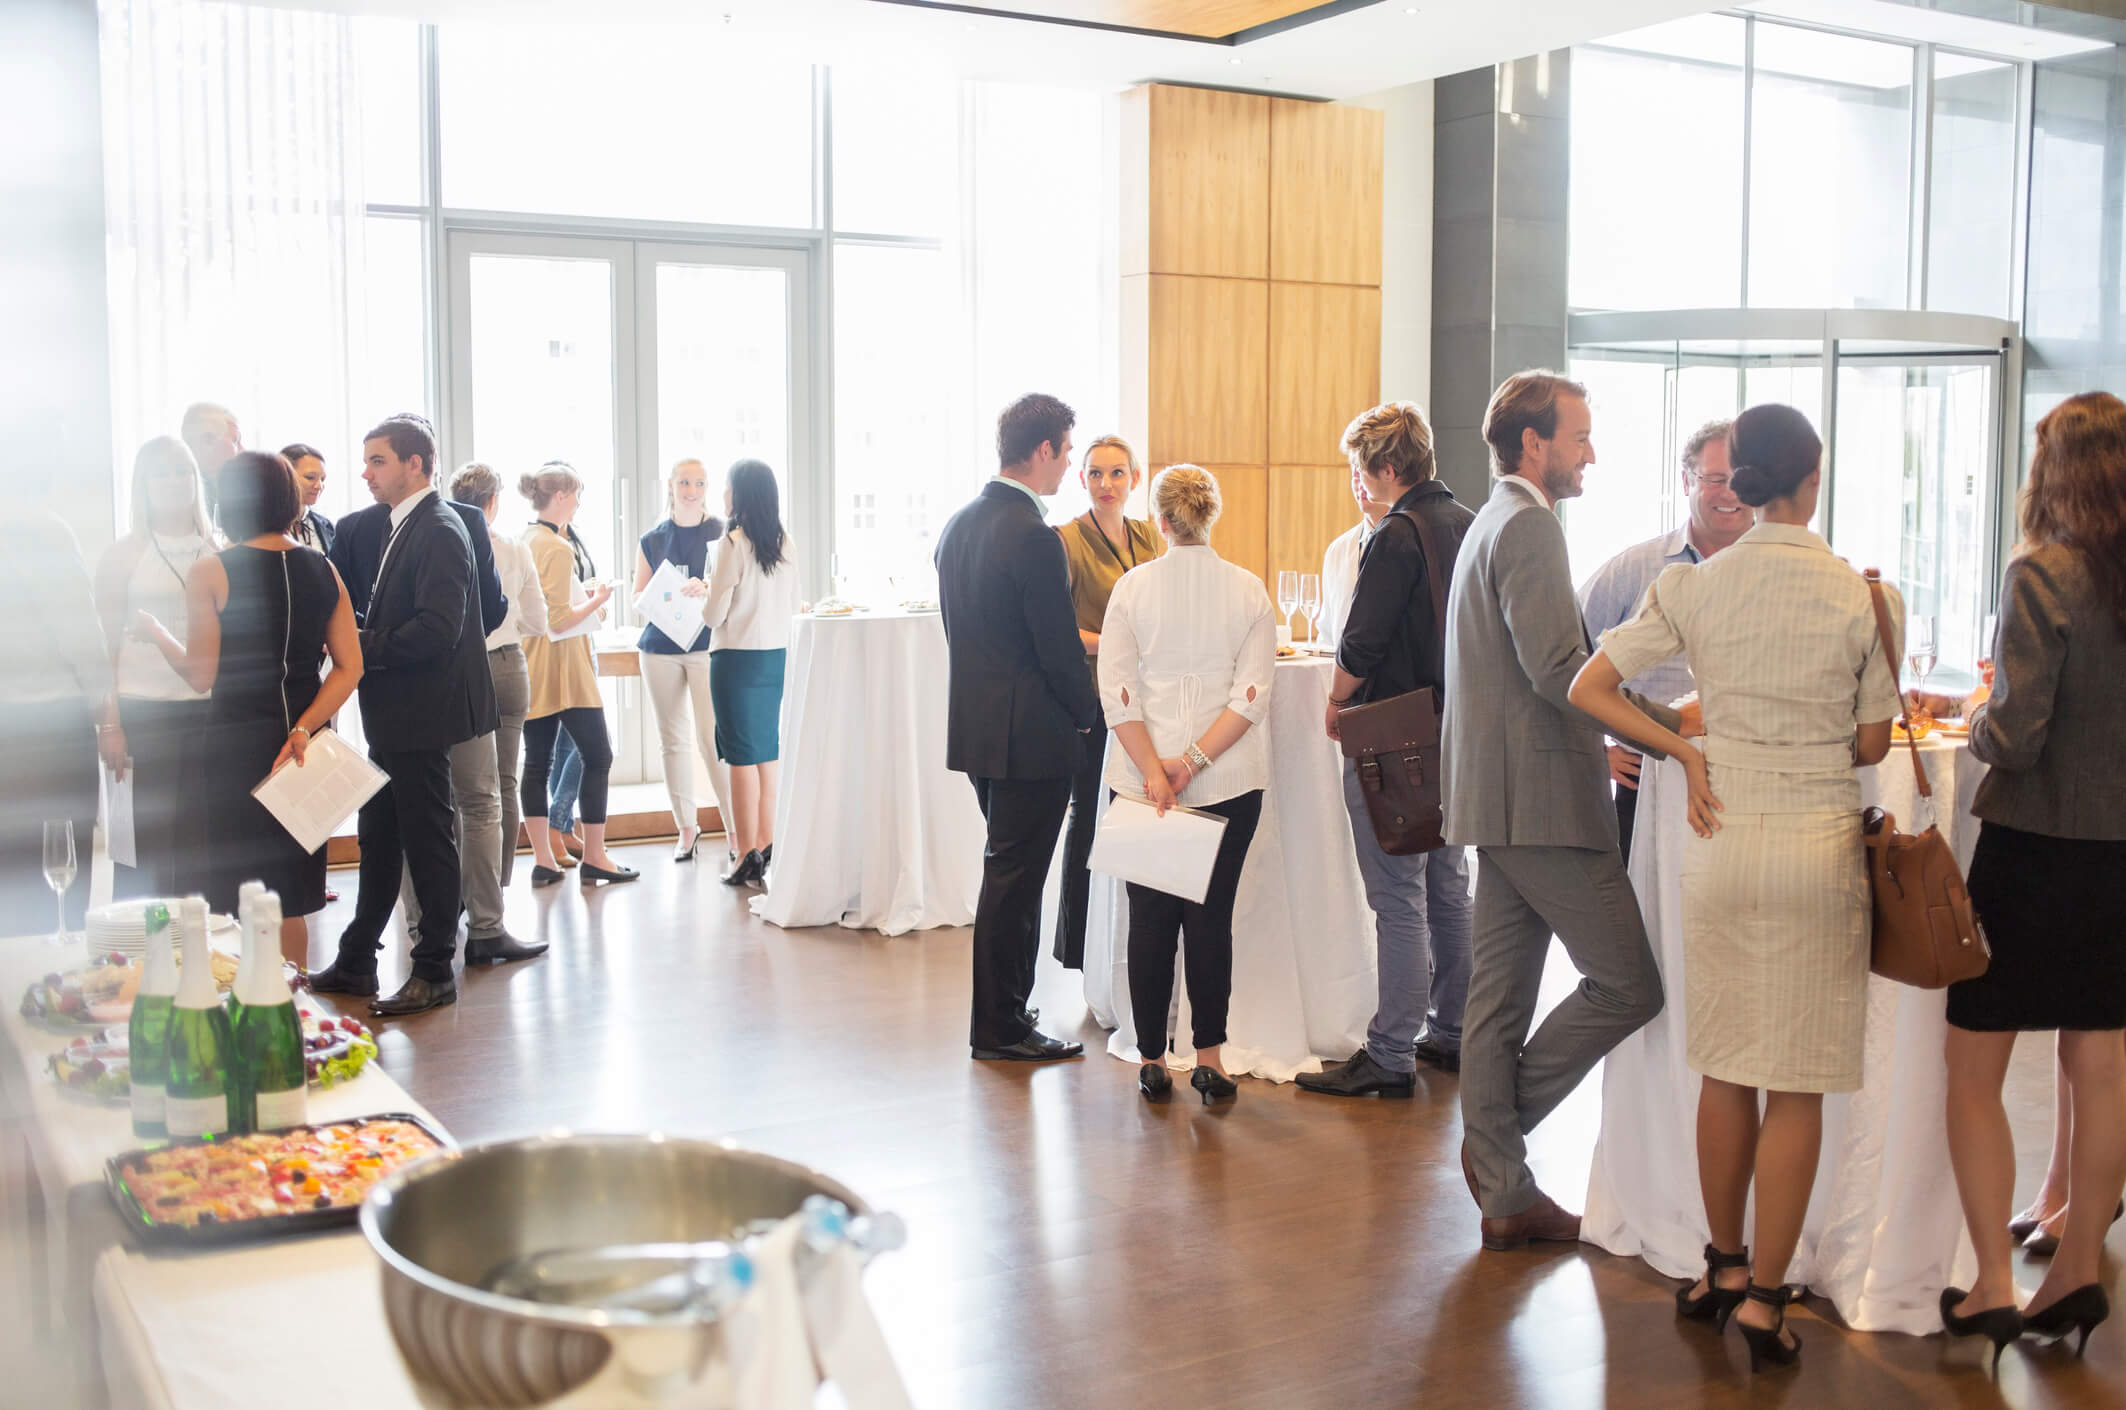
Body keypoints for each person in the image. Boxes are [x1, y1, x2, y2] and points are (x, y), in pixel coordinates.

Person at [1568, 403, 1900, 1372]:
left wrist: (1681, 749)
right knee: (1794, 1084)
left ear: (1738, 481)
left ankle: (1715, 1267)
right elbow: (1874, 743)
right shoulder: (1855, 595)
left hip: (1717, 845)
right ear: (1811, 479)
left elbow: (1591, 687)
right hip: (1814, 850)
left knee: (1723, 1069)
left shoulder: (1695, 584)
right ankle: (1762, 1297)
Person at [1442, 370, 1686, 1254]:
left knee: (1496, 1004)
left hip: (1495, 795)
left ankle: (1503, 1188)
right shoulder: (1532, 525)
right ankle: (1495, 1149)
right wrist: (1671, 727)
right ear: (1535, 443)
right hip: (1542, 798)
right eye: (1580, 437)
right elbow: (1560, 672)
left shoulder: (1491, 522)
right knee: (1630, 983)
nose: (1592, 454)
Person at [1910, 391, 2126, 1363]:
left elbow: (2014, 733)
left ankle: (1994, 1285)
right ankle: (2078, 1262)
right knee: (2099, 1059)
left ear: (2051, 473)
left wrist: (1983, 706)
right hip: (2118, 856)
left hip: (2035, 851)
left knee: (1971, 1064)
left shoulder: (2040, 574)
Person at [1299, 402, 1475, 1098]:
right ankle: (1453, 1029)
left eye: (1359, 468)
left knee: (1398, 896)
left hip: (1395, 731)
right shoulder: (1466, 522)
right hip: (1455, 727)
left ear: (1388, 467)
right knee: (1448, 884)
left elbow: (1361, 640)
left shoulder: (1396, 535)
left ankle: (1391, 1052)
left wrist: (1337, 700)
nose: (1358, 481)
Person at [134, 452, 363, 964]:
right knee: (290, 900)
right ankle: (295, 1015)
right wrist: (304, 728)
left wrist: (156, 634)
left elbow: (200, 674)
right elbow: (350, 668)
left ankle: (244, 1010)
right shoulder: (324, 568)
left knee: (239, 896)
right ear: (286, 499)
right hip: (303, 749)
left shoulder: (210, 570)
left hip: (236, 747)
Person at [309, 417, 500, 1017]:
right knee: (381, 835)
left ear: (416, 464)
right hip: (397, 714)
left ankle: (435, 966)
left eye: (378, 461)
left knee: (428, 839)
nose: (365, 473)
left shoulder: (440, 527)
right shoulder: (406, 523)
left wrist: (361, 644)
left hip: (422, 712)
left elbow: (440, 630)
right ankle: (358, 956)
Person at [1098, 465, 1273, 1103]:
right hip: (1228, 779)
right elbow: (1251, 696)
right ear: (1209, 518)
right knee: (1209, 920)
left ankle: (1150, 1057)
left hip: (1142, 782)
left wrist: (1154, 771)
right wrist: (1192, 762)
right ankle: (1212, 1059)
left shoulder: (1133, 588)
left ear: (1161, 522)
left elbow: (1117, 692)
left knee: (1148, 922)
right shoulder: (1248, 589)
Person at [935, 393, 1101, 1063]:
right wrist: (1090, 718)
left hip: (980, 730)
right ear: (1042, 452)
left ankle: (1004, 1009)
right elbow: (1057, 648)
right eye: (1065, 452)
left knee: (1009, 874)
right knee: (1016, 880)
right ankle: (999, 1026)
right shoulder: (1034, 536)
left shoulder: (959, 524)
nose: (1067, 468)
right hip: (1031, 736)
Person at [1576, 419, 1740, 862]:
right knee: (1646, 922)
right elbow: (1560, 667)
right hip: (1646, 783)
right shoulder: (1635, 570)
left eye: (1742, 479)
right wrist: (1594, 754)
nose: (1731, 493)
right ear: (1686, 481)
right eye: (1716, 479)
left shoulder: (1775, 576)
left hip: (1747, 789)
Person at [1052, 434, 1162, 969]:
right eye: (1095, 473)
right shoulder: (1066, 540)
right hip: (1092, 698)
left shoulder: (1148, 536)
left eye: (1117, 474)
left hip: (1142, 699)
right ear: (1082, 480)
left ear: (1135, 479)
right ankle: (1079, 948)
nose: (1106, 484)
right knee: (1089, 815)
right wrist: (1116, 643)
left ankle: (1126, 945)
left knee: (1136, 814)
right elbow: (1057, 628)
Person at [92, 437, 218, 899]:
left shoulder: (217, 547)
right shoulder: (123, 555)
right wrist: (110, 723)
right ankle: (137, 961)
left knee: (201, 844)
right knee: (139, 850)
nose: (173, 482)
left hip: (206, 712)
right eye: (160, 472)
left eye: (182, 471)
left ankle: (201, 957)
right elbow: (102, 647)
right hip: (140, 711)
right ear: (141, 484)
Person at [517, 462, 635, 886]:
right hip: (564, 667)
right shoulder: (557, 547)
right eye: (578, 494)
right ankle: (596, 855)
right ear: (562, 496)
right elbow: (560, 618)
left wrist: (585, 602)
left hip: (534, 662)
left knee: (536, 761)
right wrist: (599, 599)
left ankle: (544, 860)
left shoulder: (526, 539)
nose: (580, 503)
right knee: (598, 755)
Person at [1, 483, 110, 929]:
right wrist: (104, 708)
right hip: (52, 724)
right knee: (57, 862)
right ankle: (52, 983)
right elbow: (80, 635)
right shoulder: (40, 529)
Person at [450, 462, 549, 895]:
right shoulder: (514, 548)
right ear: (493, 502)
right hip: (509, 665)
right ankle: (497, 887)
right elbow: (538, 621)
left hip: (461, 668)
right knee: (504, 779)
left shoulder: (445, 544)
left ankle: (457, 884)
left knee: (462, 786)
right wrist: (510, 629)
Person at [701, 459, 800, 886]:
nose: (723, 494)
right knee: (766, 753)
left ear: (739, 494)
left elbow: (713, 614)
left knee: (740, 756)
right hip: (774, 657)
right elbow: (795, 603)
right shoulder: (784, 543)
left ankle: (744, 854)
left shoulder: (733, 542)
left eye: (727, 486)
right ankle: (767, 841)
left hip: (737, 658)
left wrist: (706, 592)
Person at [633, 458, 735, 865]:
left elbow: (737, 587)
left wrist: (707, 586)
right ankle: (686, 829)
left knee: (714, 741)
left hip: (707, 647)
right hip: (660, 648)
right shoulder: (652, 538)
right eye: (684, 482)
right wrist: (666, 594)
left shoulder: (722, 533)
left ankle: (735, 830)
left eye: (698, 482)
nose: (691, 489)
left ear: (707, 487)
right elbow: (637, 595)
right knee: (671, 740)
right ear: (670, 486)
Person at [1319, 460, 1389, 645]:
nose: (1359, 484)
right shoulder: (1338, 549)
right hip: (1343, 668)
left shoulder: (1412, 541)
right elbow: (1326, 634)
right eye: (1355, 473)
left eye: (1365, 473)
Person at [283, 443, 335, 553]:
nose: (319, 486)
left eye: (322, 479)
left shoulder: (327, 526)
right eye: (310, 477)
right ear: (285, 475)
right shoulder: (263, 526)